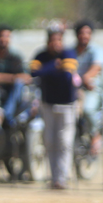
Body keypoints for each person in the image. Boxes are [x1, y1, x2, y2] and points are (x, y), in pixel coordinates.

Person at [30, 24, 80, 190]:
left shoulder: (69, 54)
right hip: (48, 103)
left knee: (64, 142)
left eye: (58, 40)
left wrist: (48, 70)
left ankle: (62, 178)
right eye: (52, 40)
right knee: (50, 141)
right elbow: (34, 73)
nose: (55, 44)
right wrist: (54, 65)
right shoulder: (41, 55)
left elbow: (67, 75)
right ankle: (53, 178)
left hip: (67, 104)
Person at [73, 20, 103, 155]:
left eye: (88, 33)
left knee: (87, 109)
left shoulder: (96, 51)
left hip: (90, 88)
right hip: (74, 89)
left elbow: (97, 67)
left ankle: (95, 134)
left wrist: (86, 77)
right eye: (82, 33)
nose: (84, 36)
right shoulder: (71, 51)